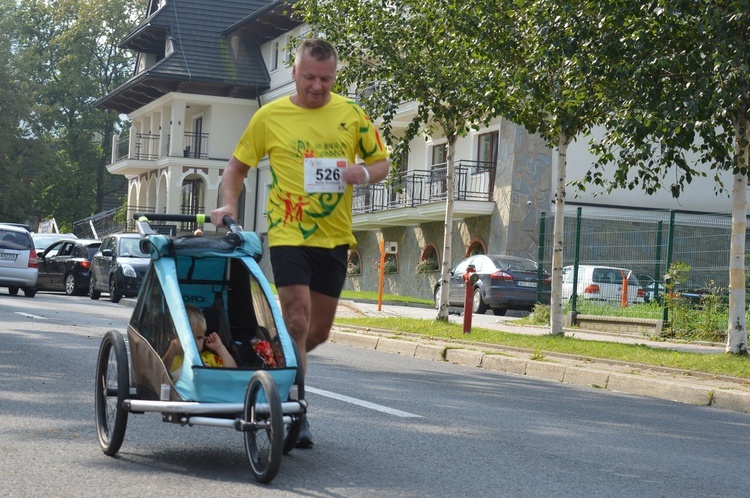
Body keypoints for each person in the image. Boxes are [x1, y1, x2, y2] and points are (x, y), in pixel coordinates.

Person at [211, 38, 390, 448]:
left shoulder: (352, 113)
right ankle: (297, 408)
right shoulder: (269, 117)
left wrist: (361, 174)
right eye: (309, 76)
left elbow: (381, 162)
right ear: (294, 73)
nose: (317, 86)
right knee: (296, 318)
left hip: (335, 237)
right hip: (289, 233)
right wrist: (227, 204)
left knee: (318, 331)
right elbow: (236, 169)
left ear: (334, 77)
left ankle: (274, 362)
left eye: (325, 79)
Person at [162, 303, 237, 381]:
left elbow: (233, 374)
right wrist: (171, 352)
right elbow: (159, 378)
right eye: (189, 338)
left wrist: (220, 348)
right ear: (174, 337)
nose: (194, 343)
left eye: (199, 337)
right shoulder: (172, 359)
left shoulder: (209, 358)